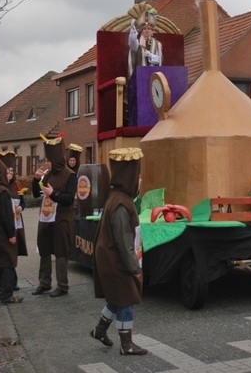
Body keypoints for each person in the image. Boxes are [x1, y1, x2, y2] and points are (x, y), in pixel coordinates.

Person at [90, 147, 147, 356]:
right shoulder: (122, 203)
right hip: (115, 260)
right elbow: (124, 242)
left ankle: (100, 330)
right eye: (138, 176)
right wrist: (134, 268)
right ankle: (127, 345)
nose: (140, 180)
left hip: (109, 258)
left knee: (116, 298)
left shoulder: (117, 197)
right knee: (126, 298)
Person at [31, 133, 77, 298]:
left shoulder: (70, 175)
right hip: (46, 219)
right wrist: (36, 180)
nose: (46, 163)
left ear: (56, 158)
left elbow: (69, 198)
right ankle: (44, 283)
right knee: (44, 250)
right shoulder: (47, 174)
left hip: (61, 220)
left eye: (49, 160)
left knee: (60, 252)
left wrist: (54, 193)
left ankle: (62, 285)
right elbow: (37, 194)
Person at [0, 153, 22, 304]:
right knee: (9, 262)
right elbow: (6, 215)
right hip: (2, 233)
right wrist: (11, 234)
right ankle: (7, 294)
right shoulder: (2, 192)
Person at [0, 151, 28, 291]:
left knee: (14, 253)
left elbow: (23, 202)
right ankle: (7, 283)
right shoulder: (0, 187)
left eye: (11, 171)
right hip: (5, 225)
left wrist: (20, 208)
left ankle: (12, 281)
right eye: (7, 171)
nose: (10, 174)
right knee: (7, 254)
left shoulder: (16, 185)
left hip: (16, 222)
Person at [127, 7, 163, 78]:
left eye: (149, 29)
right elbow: (132, 43)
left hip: (153, 76)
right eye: (145, 29)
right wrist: (133, 30)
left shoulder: (157, 44)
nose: (147, 30)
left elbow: (160, 61)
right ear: (142, 31)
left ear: (152, 31)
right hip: (140, 76)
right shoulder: (138, 43)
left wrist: (151, 56)